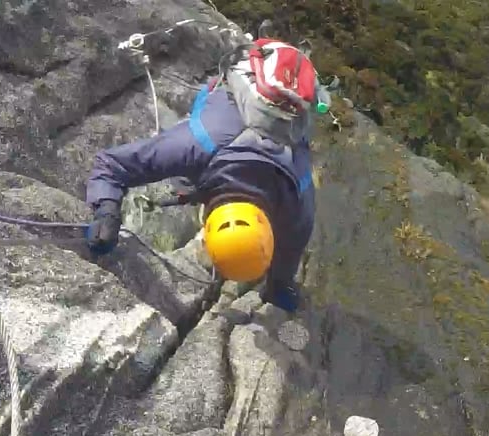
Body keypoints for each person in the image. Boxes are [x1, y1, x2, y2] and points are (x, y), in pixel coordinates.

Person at [83, 37, 325, 313]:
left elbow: (113, 165)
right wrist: (106, 211)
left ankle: (200, 189)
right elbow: (110, 165)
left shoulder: (298, 192)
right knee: (183, 182)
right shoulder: (199, 143)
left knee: (188, 174)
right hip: (226, 112)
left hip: (254, 129)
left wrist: (107, 209)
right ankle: (194, 188)